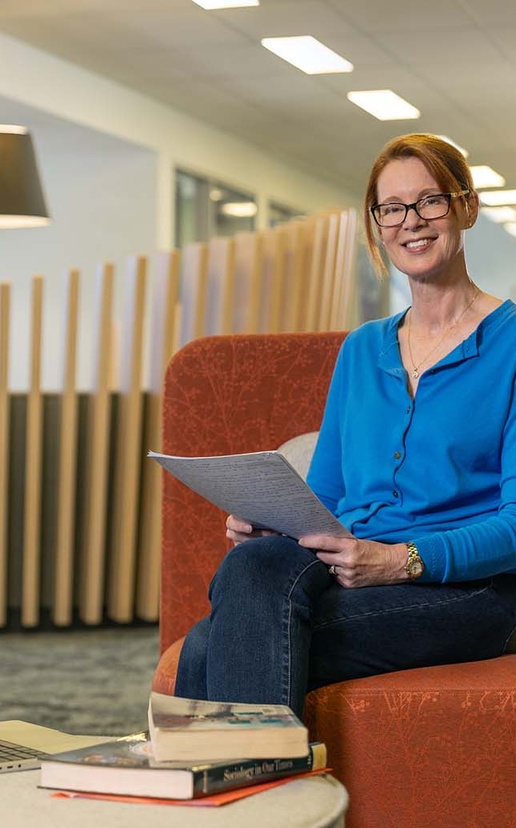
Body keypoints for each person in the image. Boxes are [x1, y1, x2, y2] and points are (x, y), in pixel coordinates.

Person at [173, 133, 516, 716]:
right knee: (254, 560)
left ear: (466, 206)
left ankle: (238, 803)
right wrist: (276, 524)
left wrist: (399, 559)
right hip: (346, 567)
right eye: (391, 208)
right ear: (377, 224)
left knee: (208, 648)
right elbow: (327, 495)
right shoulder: (362, 349)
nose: (412, 221)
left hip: (467, 590)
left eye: (429, 201)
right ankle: (264, 796)